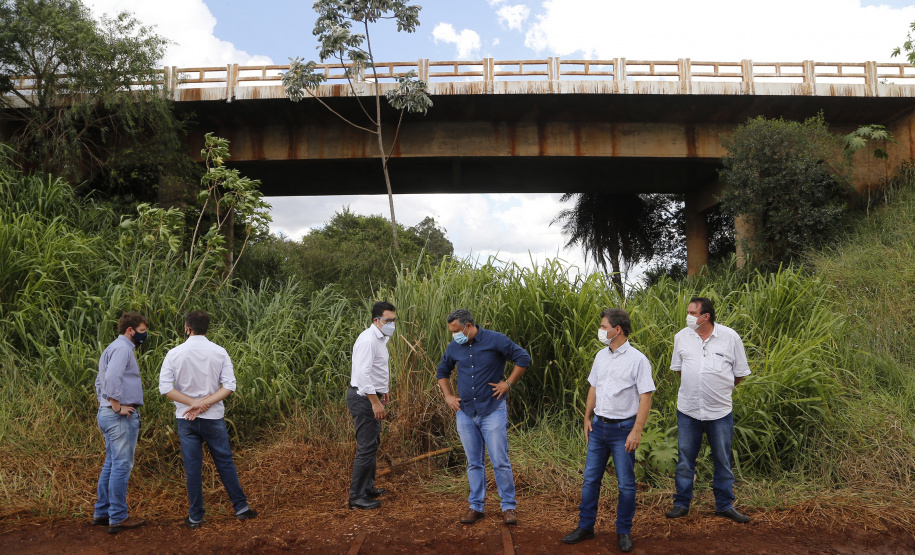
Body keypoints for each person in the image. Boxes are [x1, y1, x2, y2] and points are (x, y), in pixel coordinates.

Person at [562, 309, 655, 553]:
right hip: (598, 427)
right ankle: (585, 526)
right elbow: (594, 387)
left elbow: (646, 397)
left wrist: (636, 431)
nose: (601, 331)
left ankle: (623, 531)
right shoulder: (600, 356)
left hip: (623, 430)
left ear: (618, 330)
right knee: (590, 480)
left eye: (604, 327)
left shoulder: (638, 360)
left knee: (626, 485)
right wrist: (587, 417)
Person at [158, 310, 258, 529]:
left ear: (187, 328)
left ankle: (195, 517)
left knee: (193, 469)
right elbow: (229, 386)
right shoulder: (219, 352)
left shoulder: (174, 353)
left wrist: (192, 403)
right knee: (225, 463)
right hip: (213, 418)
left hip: (186, 418)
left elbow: (165, 388)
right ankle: (241, 508)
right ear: (206, 328)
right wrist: (204, 404)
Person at [436, 308, 531, 526]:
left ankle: (508, 506)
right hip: (465, 412)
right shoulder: (453, 347)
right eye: (451, 331)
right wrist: (448, 396)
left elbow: (523, 358)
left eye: (456, 330)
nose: (454, 335)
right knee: (473, 463)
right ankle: (476, 506)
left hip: (492, 410)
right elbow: (442, 372)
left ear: (468, 326)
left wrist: (507, 384)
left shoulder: (495, 340)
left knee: (500, 461)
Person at [665, 297, 752, 523]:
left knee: (722, 459)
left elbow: (740, 373)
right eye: (688, 312)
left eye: (692, 313)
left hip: (719, 411)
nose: (688, 316)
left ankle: (724, 505)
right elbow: (680, 369)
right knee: (685, 459)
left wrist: (720, 388)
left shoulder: (730, 337)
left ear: (706, 316)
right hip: (688, 410)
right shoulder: (681, 337)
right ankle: (681, 504)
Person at [93, 311, 149, 534]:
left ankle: (102, 512)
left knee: (112, 462)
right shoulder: (123, 349)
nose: (144, 335)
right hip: (118, 416)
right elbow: (111, 378)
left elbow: (99, 381)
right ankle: (117, 516)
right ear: (130, 330)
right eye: (142, 331)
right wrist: (116, 406)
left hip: (107, 413)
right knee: (121, 465)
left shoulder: (111, 348)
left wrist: (106, 404)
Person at [346, 301, 397, 510]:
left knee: (372, 444)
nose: (392, 324)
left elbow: (377, 369)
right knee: (366, 447)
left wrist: (383, 390)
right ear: (376, 320)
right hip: (364, 398)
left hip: (372, 395)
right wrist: (375, 402)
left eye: (394, 320)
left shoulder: (380, 339)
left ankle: (367, 488)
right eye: (388, 320)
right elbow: (362, 375)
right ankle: (356, 497)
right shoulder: (368, 340)